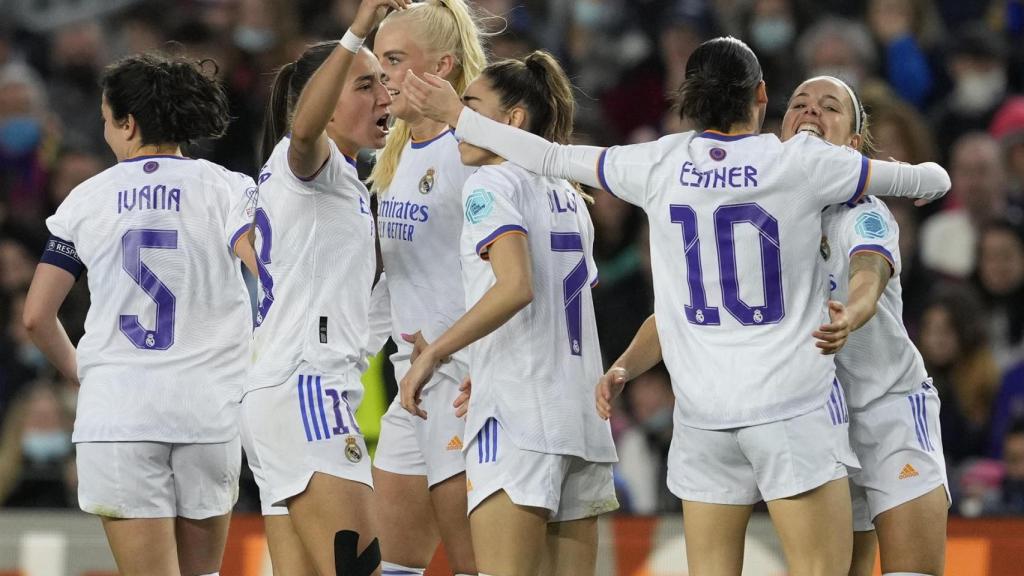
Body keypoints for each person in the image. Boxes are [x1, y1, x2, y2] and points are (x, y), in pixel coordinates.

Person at [402, 36, 950, 575]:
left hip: (708, 416)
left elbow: (548, 155)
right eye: (800, 103)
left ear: (686, 97)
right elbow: (925, 178)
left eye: (827, 107)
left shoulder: (658, 161)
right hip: (792, 405)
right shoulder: (800, 163)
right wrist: (927, 182)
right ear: (763, 98)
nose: (810, 114)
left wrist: (460, 117)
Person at [21, 52, 258, 576]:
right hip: (207, 410)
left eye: (107, 120)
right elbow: (268, 270)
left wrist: (85, 373)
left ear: (128, 123)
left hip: (119, 414)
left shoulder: (86, 199)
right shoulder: (229, 188)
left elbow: (36, 316)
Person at [400, 51, 618, 576]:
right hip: (582, 420)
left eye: (471, 107)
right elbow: (554, 307)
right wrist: (485, 360)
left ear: (513, 119)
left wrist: (434, 353)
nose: (459, 124)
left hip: (519, 418)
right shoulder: (570, 194)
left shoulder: (491, 184)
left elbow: (516, 287)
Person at [240, 1, 405, 575]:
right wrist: (357, 30)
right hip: (307, 389)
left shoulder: (345, 184)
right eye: (365, 85)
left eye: (383, 83)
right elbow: (304, 131)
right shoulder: (310, 164)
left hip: (281, 392)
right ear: (325, 101)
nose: (384, 96)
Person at [367, 2, 485, 574]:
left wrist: (487, 363)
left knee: (474, 566)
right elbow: (397, 277)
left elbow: (513, 270)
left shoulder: (471, 151)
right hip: (412, 381)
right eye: (379, 62)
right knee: (390, 565)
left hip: (463, 381)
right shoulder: (394, 156)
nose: (382, 76)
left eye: (394, 60)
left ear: (441, 66)